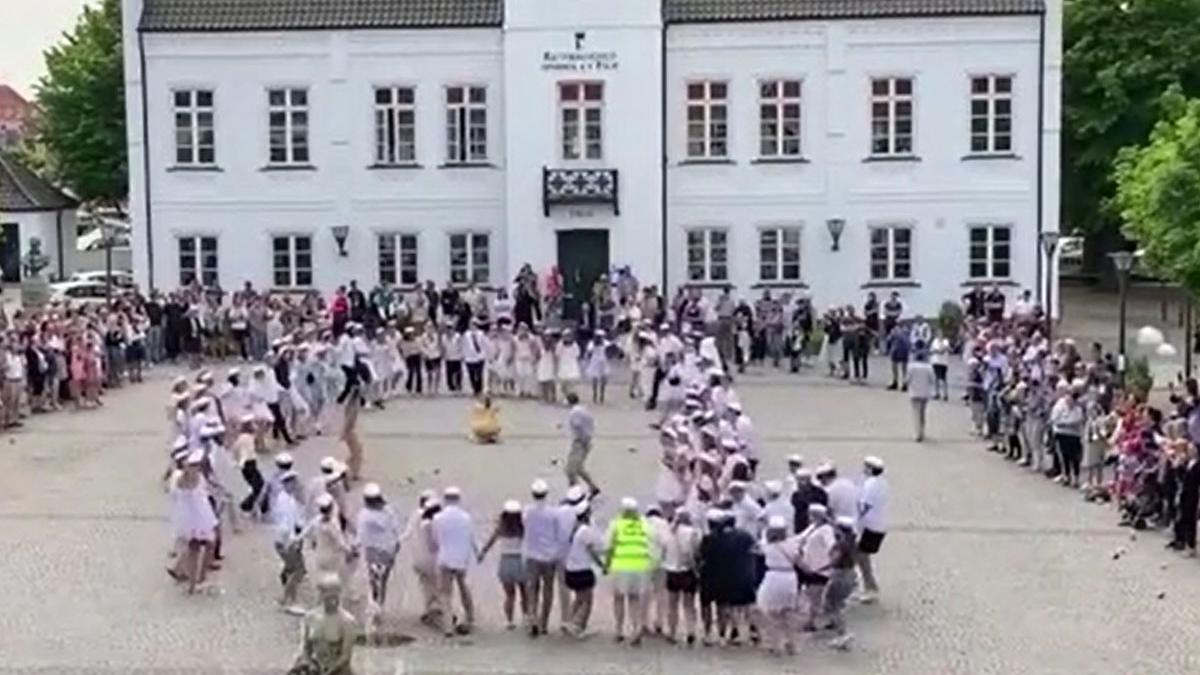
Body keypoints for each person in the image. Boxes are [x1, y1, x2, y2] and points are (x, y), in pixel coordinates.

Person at [604, 497, 652, 645]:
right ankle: (636, 628)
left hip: (621, 565)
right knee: (634, 599)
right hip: (640, 566)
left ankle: (619, 630)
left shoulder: (616, 524)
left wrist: (606, 565)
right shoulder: (644, 523)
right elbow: (650, 542)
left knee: (618, 598)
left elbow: (608, 547)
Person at [288, 574, 357, 675]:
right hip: (315, 665)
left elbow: (345, 656)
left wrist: (328, 672)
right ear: (322, 595)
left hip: (337, 669)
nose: (332, 602)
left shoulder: (347, 621)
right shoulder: (311, 617)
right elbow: (306, 648)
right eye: (328, 597)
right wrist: (308, 662)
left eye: (335, 597)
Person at [431, 486, 477, 636]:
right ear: (459, 499)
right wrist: (477, 553)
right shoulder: (466, 517)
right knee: (464, 587)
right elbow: (471, 538)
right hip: (461, 558)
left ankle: (448, 626)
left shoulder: (438, 518)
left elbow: (435, 539)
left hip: (444, 557)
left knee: (445, 593)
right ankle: (470, 617)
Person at [478, 499, 527, 629]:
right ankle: (526, 617)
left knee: (509, 595)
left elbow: (490, 542)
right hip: (519, 561)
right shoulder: (522, 528)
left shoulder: (501, 528)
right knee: (524, 593)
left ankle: (510, 621)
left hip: (505, 562)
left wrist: (481, 554)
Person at [756, 516, 800, 656]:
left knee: (771, 613)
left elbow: (757, 547)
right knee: (788, 613)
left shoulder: (767, 545)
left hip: (774, 576)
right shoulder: (792, 543)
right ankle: (791, 643)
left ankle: (775, 645)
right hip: (790, 577)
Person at [521, 479, 560, 637]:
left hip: (532, 554)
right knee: (548, 589)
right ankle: (544, 623)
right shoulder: (553, 512)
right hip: (549, 556)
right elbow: (558, 533)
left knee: (532, 589)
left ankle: (532, 619)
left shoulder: (527, 511)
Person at [355, 483, 400, 618]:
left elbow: (360, 534)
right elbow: (395, 529)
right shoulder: (388, 511)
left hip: (372, 552)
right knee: (383, 581)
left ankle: (375, 606)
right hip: (387, 550)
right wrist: (396, 546)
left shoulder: (364, 514)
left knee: (373, 580)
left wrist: (354, 547)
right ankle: (380, 605)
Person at [563, 499, 603, 637]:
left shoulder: (574, 529)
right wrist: (602, 566)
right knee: (587, 600)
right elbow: (592, 552)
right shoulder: (585, 531)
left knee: (579, 598)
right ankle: (580, 626)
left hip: (570, 570)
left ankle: (570, 621)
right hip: (582, 571)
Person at [662, 509, 700, 645]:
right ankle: (691, 631)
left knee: (672, 604)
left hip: (671, 571)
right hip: (687, 571)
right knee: (689, 604)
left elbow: (663, 551)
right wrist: (696, 569)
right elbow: (692, 553)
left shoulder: (668, 533)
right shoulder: (692, 533)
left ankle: (672, 632)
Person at [272, 470, 308, 615]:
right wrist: (293, 541)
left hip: (284, 538)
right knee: (298, 570)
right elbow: (288, 523)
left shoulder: (285, 498)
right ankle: (288, 599)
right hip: (287, 540)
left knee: (293, 567)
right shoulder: (287, 502)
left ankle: (287, 594)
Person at [857, 456, 888, 603]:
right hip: (879, 524)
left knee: (861, 557)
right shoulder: (882, 483)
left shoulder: (870, 484)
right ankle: (869, 585)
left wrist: (855, 519)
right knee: (862, 557)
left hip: (870, 526)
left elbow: (864, 506)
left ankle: (871, 587)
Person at [825, 516, 859, 650]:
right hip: (850, 574)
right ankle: (842, 632)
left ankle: (842, 633)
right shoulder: (853, 542)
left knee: (832, 605)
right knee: (838, 605)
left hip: (840, 575)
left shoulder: (840, 544)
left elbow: (834, 559)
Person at [564, 393, 600, 496]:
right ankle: (593, 487)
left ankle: (574, 493)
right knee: (579, 468)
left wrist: (583, 440)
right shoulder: (584, 410)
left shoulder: (574, 413)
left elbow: (578, 426)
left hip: (579, 443)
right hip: (587, 441)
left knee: (570, 470)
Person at [906, 345, 936, 442]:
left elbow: (907, 379)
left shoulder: (911, 367)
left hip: (914, 392)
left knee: (916, 413)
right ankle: (922, 431)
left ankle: (917, 433)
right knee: (923, 413)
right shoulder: (928, 367)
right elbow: (932, 380)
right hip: (925, 393)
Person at [929, 331, 952, 400]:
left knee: (943, 378)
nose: (939, 335)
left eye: (941, 334)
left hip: (943, 362)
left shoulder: (946, 341)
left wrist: (940, 349)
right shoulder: (934, 341)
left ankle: (945, 394)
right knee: (936, 377)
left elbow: (943, 350)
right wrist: (935, 351)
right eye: (938, 334)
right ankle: (937, 393)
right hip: (936, 361)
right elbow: (931, 350)